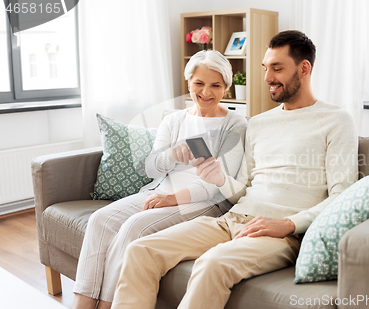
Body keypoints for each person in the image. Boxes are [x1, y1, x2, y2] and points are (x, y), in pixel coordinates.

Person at [111, 30, 358, 309]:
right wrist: (219, 178)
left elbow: (343, 195)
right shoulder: (260, 123)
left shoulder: (336, 120)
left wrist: (288, 224)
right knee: (142, 250)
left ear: (304, 68)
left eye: (277, 68)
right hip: (232, 218)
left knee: (211, 264)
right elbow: (243, 186)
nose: (267, 78)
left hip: (282, 233)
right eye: (266, 68)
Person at [71, 50, 247, 309]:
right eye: (199, 83)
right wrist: (171, 156)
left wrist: (171, 199)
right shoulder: (174, 119)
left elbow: (217, 183)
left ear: (226, 87)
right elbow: (151, 169)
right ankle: (82, 305)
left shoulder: (235, 125)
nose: (206, 92)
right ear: (188, 83)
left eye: (215, 85)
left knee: (134, 227)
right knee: (100, 219)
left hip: (201, 202)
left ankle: (109, 305)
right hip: (160, 189)